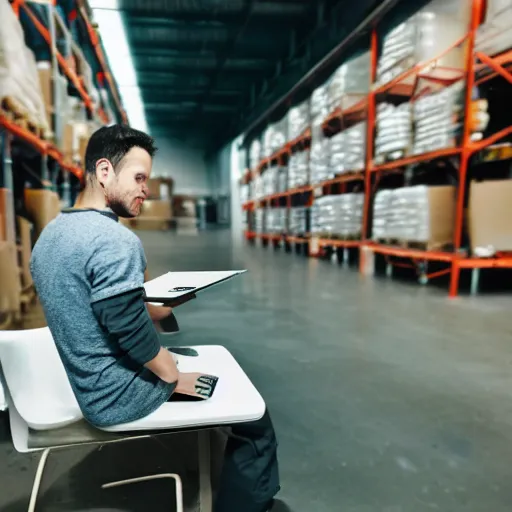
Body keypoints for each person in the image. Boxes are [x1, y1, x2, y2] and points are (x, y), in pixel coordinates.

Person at [30, 124, 281, 512]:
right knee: (254, 416)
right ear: (104, 172)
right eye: (139, 178)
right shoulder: (114, 241)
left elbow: (106, 305)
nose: (146, 189)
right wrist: (172, 376)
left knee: (204, 365)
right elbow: (127, 326)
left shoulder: (52, 234)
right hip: (115, 395)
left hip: (85, 379)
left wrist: (165, 305)